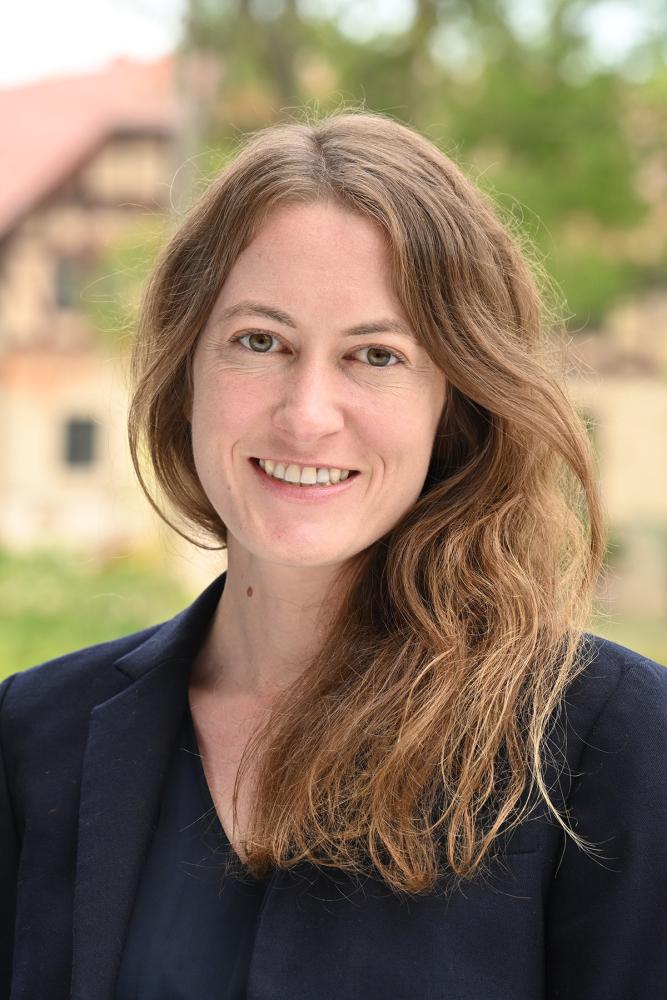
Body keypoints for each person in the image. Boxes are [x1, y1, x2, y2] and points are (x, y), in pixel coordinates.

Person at [1, 111, 666, 1000]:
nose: (308, 412)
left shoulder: (609, 745)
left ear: (454, 405)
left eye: (376, 355)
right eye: (260, 341)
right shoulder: (33, 735)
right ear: (185, 370)